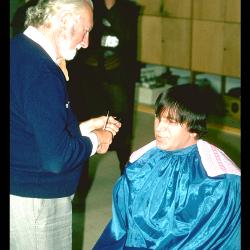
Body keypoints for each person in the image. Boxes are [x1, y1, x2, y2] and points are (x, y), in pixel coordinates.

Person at [10, 1, 122, 249]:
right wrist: (96, 140)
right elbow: (56, 159)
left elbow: (30, 130)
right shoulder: (43, 72)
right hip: (37, 200)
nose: (87, 42)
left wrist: (81, 130)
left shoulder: (18, 50)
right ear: (62, 21)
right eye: (86, 30)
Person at [93, 83, 241, 250]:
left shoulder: (218, 182)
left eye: (171, 122)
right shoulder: (141, 164)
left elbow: (206, 238)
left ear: (194, 128)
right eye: (158, 117)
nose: (159, 128)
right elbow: (122, 225)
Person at [67, 0, 140, 174]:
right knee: (86, 116)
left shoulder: (128, 8)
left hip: (118, 75)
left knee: (121, 119)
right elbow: (80, 37)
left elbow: (132, 44)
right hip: (90, 75)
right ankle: (81, 169)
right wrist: (86, 59)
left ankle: (125, 166)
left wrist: (122, 61)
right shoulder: (89, 5)